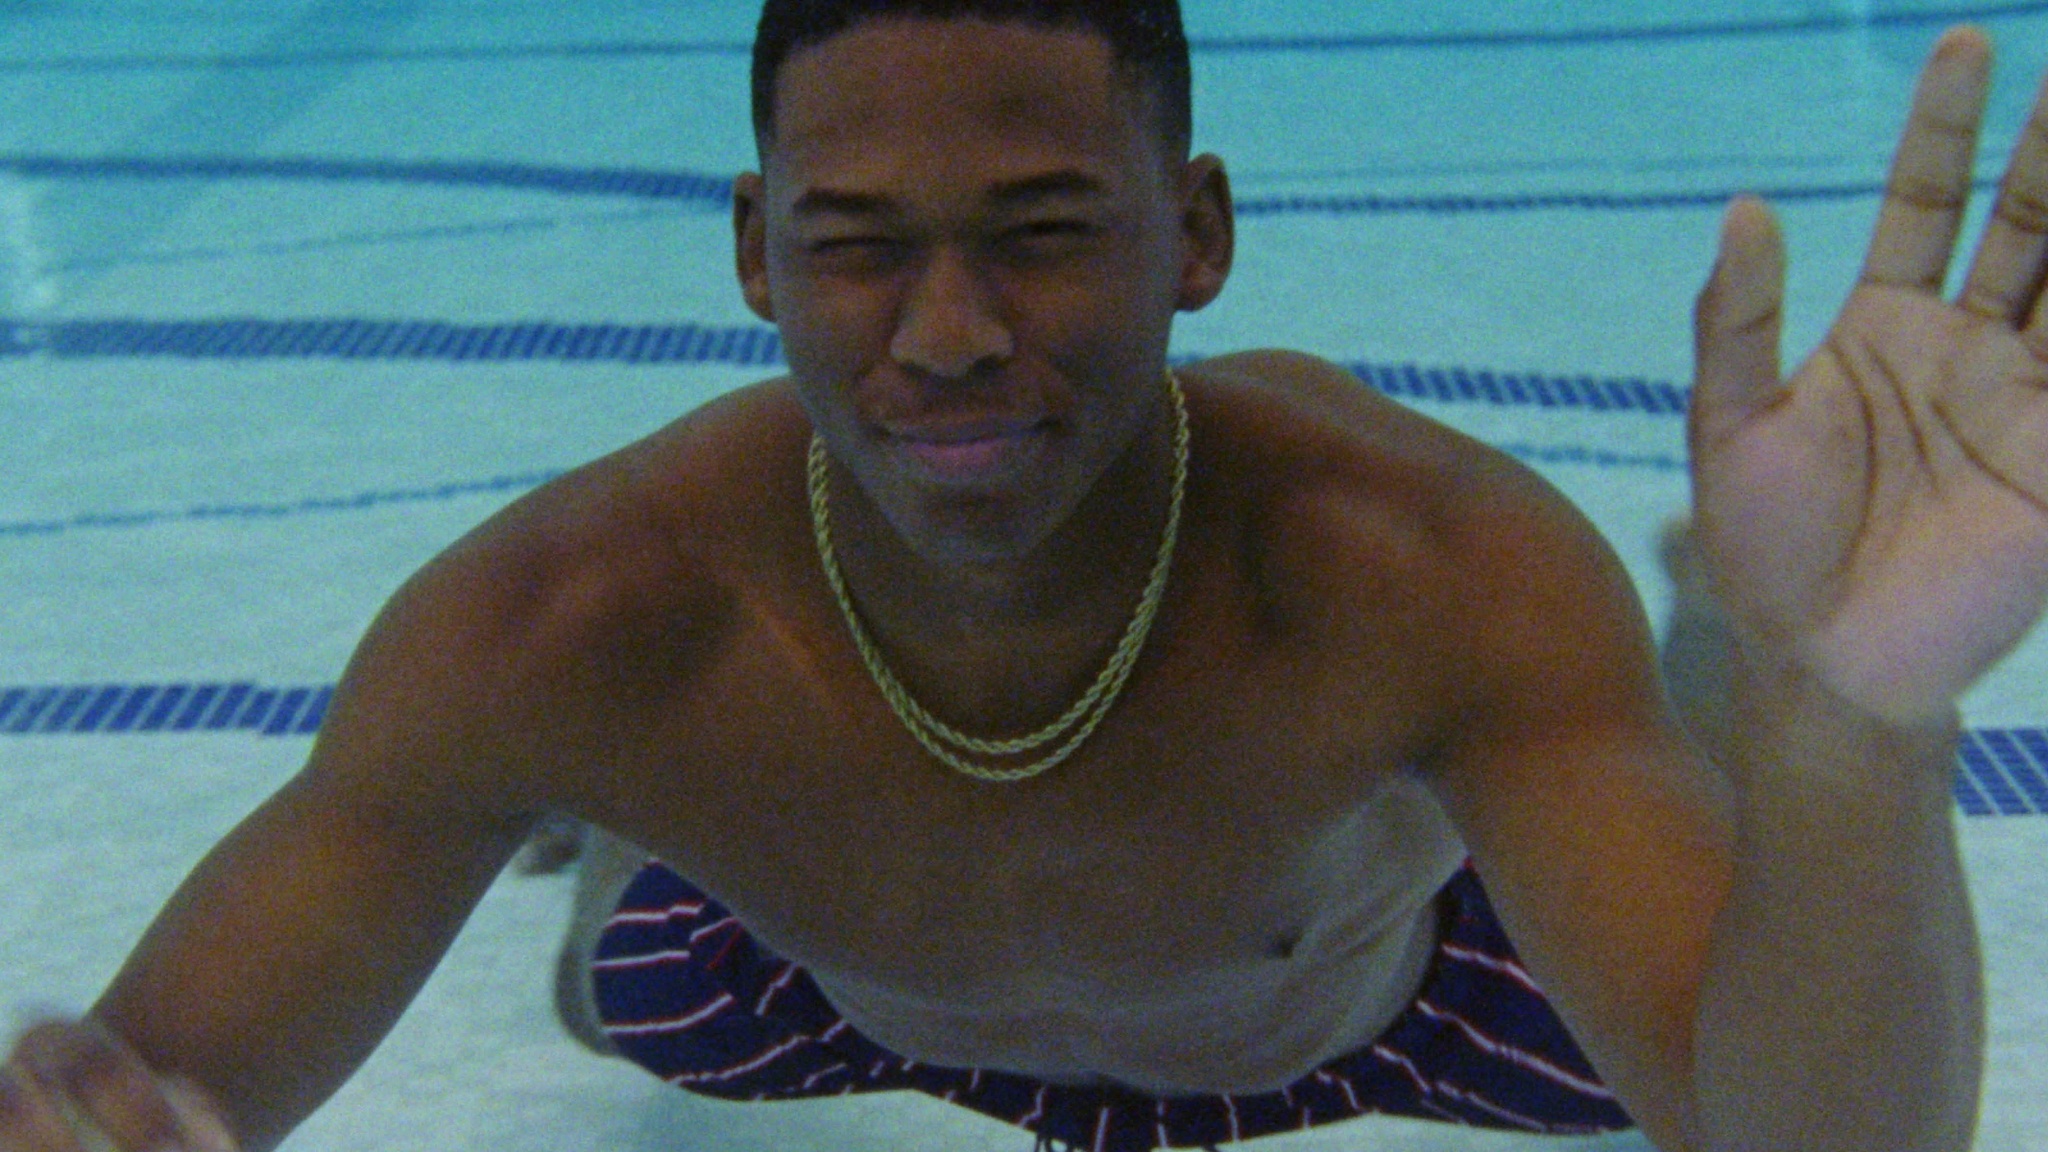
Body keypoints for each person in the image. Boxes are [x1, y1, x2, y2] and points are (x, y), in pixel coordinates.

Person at [5, 1, 2042, 1149]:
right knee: (625, 981)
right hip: (823, 1005)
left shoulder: (1424, 569)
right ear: (750, 252)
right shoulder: (562, 625)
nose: (953, 331)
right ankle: (635, 841)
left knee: (1722, 842)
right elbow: (156, 1087)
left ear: (1198, 230)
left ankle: (1718, 670)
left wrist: (1856, 731)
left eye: (1048, 229)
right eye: (859, 241)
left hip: (1370, 1016)